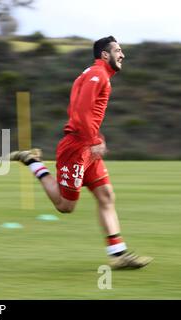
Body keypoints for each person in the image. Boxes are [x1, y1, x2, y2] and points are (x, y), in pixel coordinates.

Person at [10, 36, 153, 269]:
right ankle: (34, 162)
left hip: (87, 146)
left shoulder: (97, 74)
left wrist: (94, 140)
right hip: (77, 147)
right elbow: (80, 112)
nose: (122, 55)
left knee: (106, 195)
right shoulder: (98, 76)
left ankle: (118, 255)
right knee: (65, 206)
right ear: (104, 55)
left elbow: (84, 112)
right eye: (118, 50)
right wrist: (93, 139)